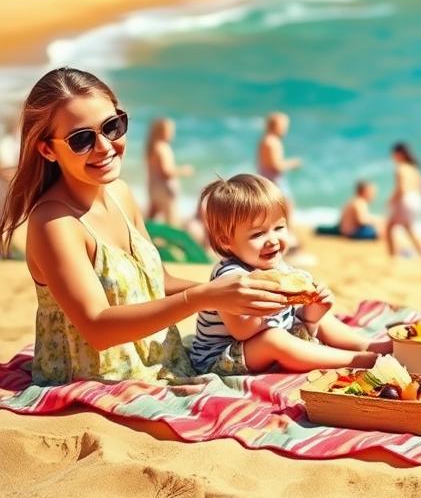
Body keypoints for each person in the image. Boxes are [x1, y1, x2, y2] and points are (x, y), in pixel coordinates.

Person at [0, 68, 291, 385]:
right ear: (47, 149)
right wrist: (204, 298)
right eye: (81, 139)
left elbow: (156, 281)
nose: (104, 146)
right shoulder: (54, 224)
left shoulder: (120, 192)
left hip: (160, 361)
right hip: (98, 380)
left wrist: (235, 291)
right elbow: (97, 328)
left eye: (112, 126)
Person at [189, 174, 389, 375]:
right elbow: (241, 331)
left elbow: (293, 317)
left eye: (279, 228)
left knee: (323, 320)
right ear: (226, 241)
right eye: (258, 234)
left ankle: (366, 346)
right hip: (222, 357)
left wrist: (312, 313)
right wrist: (268, 309)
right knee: (273, 339)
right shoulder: (231, 278)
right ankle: (360, 360)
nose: (273, 240)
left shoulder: (279, 269)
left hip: (265, 343)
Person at [145, 118, 194, 227]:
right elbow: (167, 171)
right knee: (173, 223)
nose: (173, 133)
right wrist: (184, 170)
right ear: (162, 131)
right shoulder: (163, 147)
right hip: (165, 189)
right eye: (170, 130)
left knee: (150, 219)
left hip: (153, 188)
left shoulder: (151, 147)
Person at [256, 111, 301, 223]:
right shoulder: (272, 142)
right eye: (284, 126)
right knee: (287, 205)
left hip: (267, 177)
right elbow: (276, 165)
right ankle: (287, 233)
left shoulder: (266, 140)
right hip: (273, 179)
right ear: (275, 126)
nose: (286, 129)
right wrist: (292, 163)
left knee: (277, 207)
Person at [384, 141, 421, 258]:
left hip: (406, 199)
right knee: (409, 228)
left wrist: (391, 200)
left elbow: (401, 188)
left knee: (389, 227)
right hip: (418, 200)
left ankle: (393, 256)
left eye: (393, 154)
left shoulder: (401, 167)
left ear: (399, 154)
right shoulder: (415, 169)